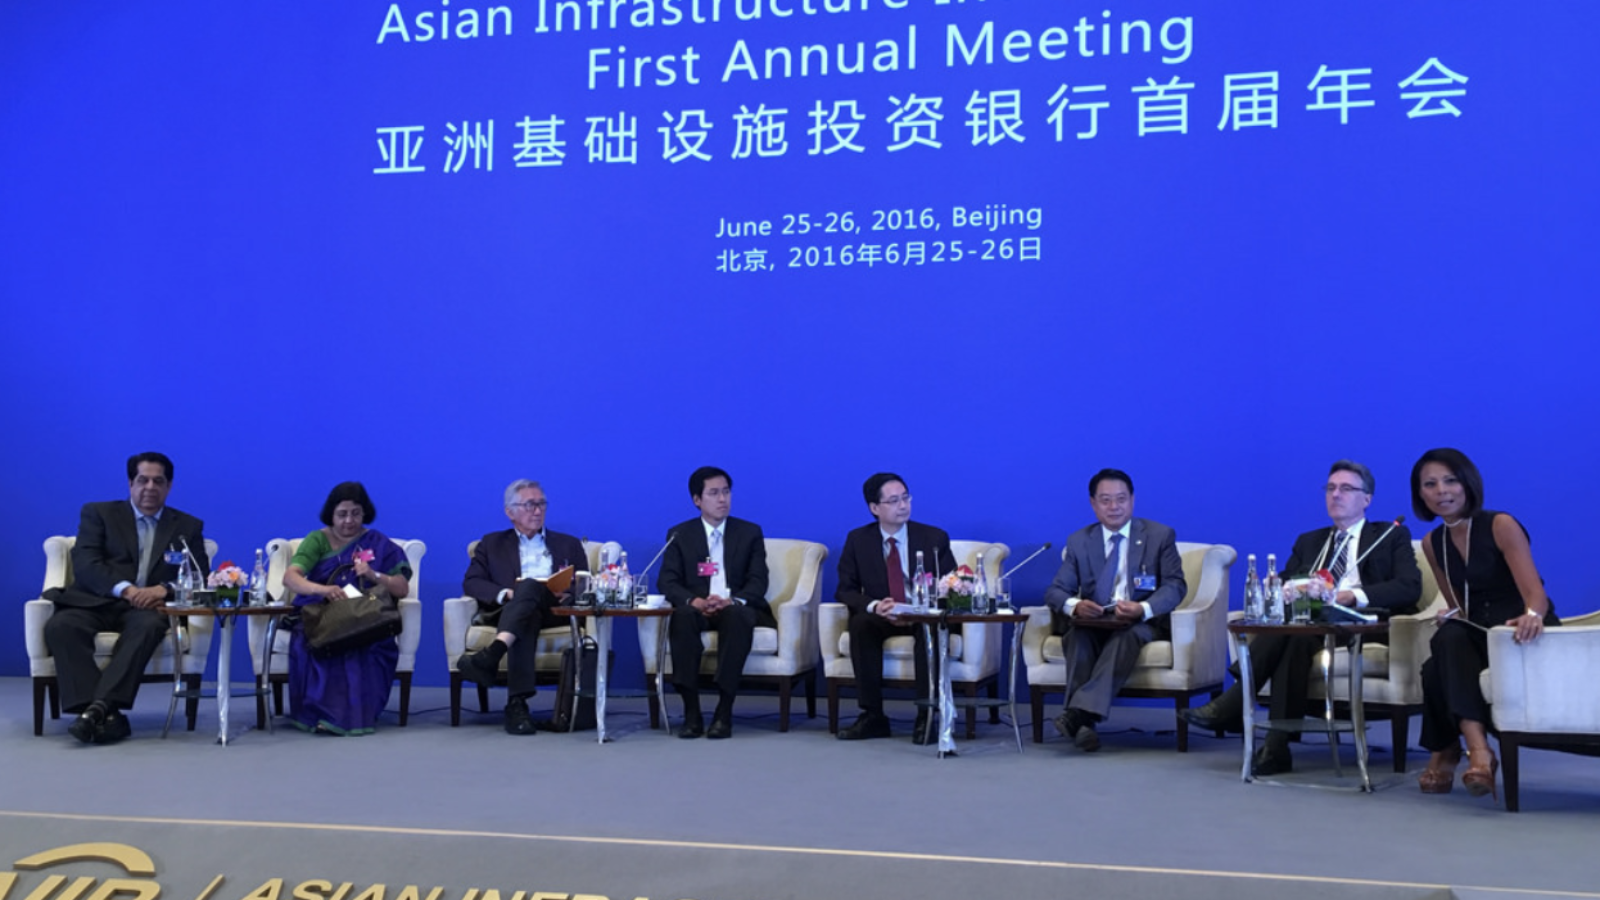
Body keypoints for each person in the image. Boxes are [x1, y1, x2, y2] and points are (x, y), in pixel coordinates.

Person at [1181, 460, 1421, 774]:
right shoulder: (1310, 541)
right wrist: (1286, 589)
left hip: (1363, 624)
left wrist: (1353, 595)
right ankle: (1276, 748)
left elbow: (1408, 586)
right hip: (1314, 626)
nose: (1336, 495)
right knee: (1293, 638)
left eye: (1346, 488)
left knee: (1292, 634)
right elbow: (1283, 581)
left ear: (1367, 499)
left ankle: (1237, 702)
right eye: (1331, 488)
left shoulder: (1389, 536)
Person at [1412, 448, 1557, 799]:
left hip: (1518, 630)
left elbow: (1535, 594)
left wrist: (1532, 616)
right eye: (1430, 484)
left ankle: (1452, 752)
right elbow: (1459, 606)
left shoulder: (1500, 524)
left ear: (1468, 483)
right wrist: (1451, 614)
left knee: (1440, 660)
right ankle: (1478, 751)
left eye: (1450, 480)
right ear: (1420, 493)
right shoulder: (1434, 543)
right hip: (1478, 633)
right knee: (1441, 652)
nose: (1441, 490)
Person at [43, 452, 208, 745]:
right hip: (97, 600)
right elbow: (86, 563)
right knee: (61, 627)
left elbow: (199, 575)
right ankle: (105, 714)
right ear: (131, 483)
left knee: (149, 627)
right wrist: (128, 590)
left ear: (169, 486)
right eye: (142, 480)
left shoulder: (187, 526)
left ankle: (96, 712)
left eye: (158, 481)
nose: (150, 487)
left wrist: (164, 589)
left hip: (148, 608)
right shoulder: (99, 513)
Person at [1042, 468, 1185, 752]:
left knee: (1127, 637)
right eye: (1105, 500)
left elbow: (1175, 586)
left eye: (1121, 499)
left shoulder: (1159, 536)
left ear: (1132, 500)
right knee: (1077, 637)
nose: (1114, 507)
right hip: (1095, 622)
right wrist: (1076, 606)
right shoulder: (1079, 541)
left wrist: (1143, 608)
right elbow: (1055, 591)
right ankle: (1083, 724)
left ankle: (1079, 716)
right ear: (1093, 504)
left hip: (1139, 622)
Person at [455, 479, 588, 734]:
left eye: (541, 504)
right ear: (510, 512)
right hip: (513, 611)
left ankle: (494, 655)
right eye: (529, 505)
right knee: (526, 603)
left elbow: (584, 583)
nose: (537, 511)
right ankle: (517, 704)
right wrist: (506, 593)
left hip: (556, 611)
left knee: (529, 589)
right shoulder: (491, 543)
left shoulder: (569, 544)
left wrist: (569, 594)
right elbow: (471, 582)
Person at [834, 472, 957, 743]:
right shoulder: (858, 540)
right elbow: (845, 589)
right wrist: (876, 606)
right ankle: (872, 715)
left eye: (906, 498)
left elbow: (953, 583)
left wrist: (935, 597)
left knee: (931, 629)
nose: (903, 506)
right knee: (860, 623)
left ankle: (927, 715)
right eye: (893, 501)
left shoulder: (934, 537)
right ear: (874, 508)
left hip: (923, 612)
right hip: (884, 613)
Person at [281, 481, 412, 735]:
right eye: (342, 514)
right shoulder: (317, 540)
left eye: (356, 514)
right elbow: (291, 578)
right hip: (321, 611)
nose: (349, 521)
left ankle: (353, 717)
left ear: (365, 513)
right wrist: (324, 590)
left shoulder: (377, 542)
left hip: (364, 614)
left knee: (361, 640)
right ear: (331, 514)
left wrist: (374, 575)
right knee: (321, 638)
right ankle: (318, 714)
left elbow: (401, 588)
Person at [657, 466, 770, 739]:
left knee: (739, 616)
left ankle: (724, 711)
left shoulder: (749, 532)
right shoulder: (680, 534)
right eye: (714, 493)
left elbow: (758, 581)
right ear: (697, 500)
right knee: (682, 617)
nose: (723, 500)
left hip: (733, 606)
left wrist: (733, 600)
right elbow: (667, 582)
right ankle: (692, 712)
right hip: (697, 607)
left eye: (726, 492)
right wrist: (693, 600)